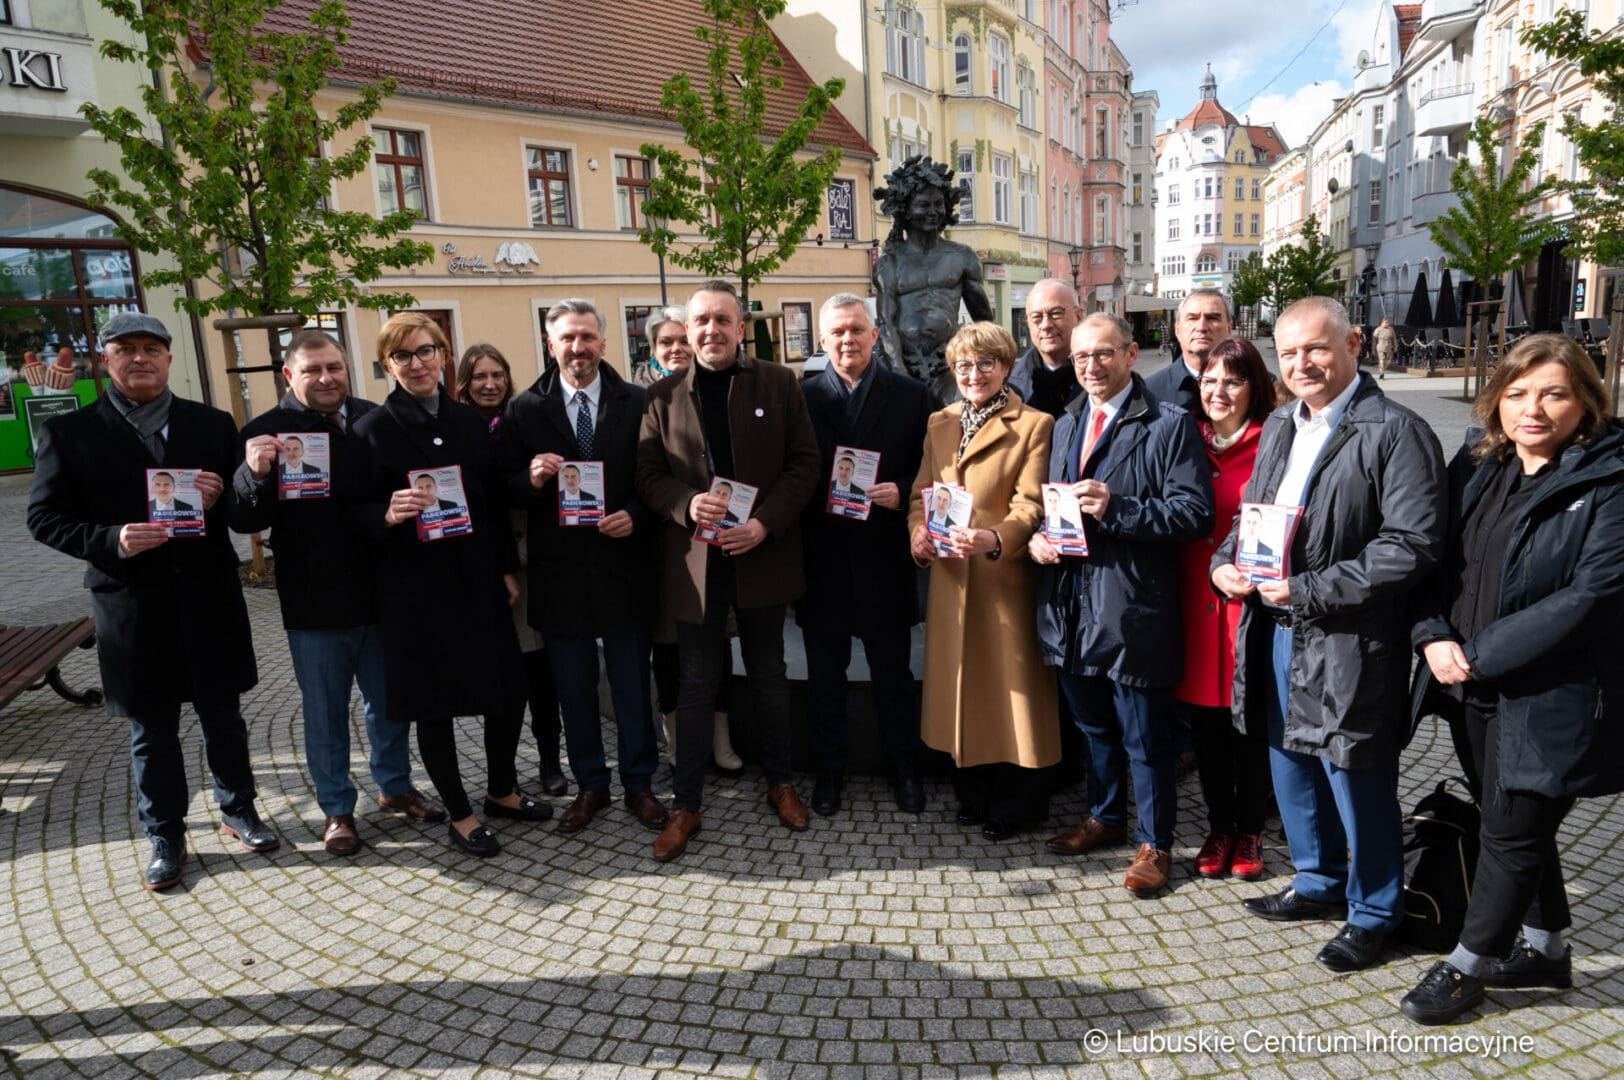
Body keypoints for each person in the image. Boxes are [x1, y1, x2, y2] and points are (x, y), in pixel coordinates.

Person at [1212, 296, 1447, 974]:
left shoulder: (1396, 431)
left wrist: (1311, 589)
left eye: (1316, 348)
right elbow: (1253, 516)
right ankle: (1317, 880)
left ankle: (1375, 910)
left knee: (1354, 770)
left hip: (1350, 634)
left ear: (1351, 342)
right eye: (1289, 353)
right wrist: (1225, 563)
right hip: (1274, 623)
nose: (1302, 364)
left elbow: (1411, 545)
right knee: (1289, 754)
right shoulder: (1283, 422)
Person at [1400, 334, 1624, 1025]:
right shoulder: (1474, 464)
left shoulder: (1608, 478)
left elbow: (1594, 593)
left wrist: (1481, 652)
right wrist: (1432, 633)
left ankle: (1468, 968)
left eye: (1555, 392)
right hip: (1464, 681)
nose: (1534, 408)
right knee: (1510, 823)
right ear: (1496, 399)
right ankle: (1548, 949)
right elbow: (1429, 558)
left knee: (1514, 831)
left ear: (1585, 401)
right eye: (1519, 392)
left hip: (1552, 691)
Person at [27, 311, 277, 890]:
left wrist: (234, 487)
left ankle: (239, 808)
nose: (139, 358)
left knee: (224, 717)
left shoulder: (212, 425)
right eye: (125, 349)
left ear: (168, 358)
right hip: (132, 605)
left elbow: (245, 513)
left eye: (151, 348)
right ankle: (165, 832)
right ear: (105, 360)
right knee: (152, 729)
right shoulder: (70, 432)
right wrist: (109, 538)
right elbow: (43, 518)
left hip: (207, 595)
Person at [231, 329, 445, 857]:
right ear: (289, 375)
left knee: (390, 703)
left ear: (348, 368)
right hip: (316, 600)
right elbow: (243, 519)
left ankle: (394, 787)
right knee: (325, 710)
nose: (326, 379)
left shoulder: (374, 419)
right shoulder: (266, 433)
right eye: (312, 371)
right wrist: (253, 474)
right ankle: (336, 809)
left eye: (334, 367)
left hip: (381, 591)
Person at [636, 279, 822, 861]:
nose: (712, 331)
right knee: (695, 684)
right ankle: (686, 802)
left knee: (769, 674)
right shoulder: (661, 398)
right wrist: (686, 504)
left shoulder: (779, 383)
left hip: (760, 553)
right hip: (696, 564)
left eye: (723, 320)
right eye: (701, 322)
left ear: (742, 329)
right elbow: (647, 476)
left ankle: (780, 782)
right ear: (687, 333)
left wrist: (765, 522)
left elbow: (804, 464)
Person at [354, 313, 550, 860]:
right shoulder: (372, 430)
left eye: (425, 351)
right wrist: (386, 515)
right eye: (403, 356)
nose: (416, 364)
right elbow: (352, 513)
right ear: (388, 365)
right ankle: (460, 815)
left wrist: (507, 565)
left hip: (478, 579)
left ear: (442, 355)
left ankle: (502, 790)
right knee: (434, 706)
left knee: (507, 693)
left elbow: (489, 500)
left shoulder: (469, 423)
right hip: (416, 590)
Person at [1034, 314, 1215, 897]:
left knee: (1145, 735)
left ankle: (1155, 842)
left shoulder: (1168, 424)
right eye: (1082, 356)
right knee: (1093, 726)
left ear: (1132, 354)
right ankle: (1106, 817)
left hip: (1132, 605)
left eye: (1104, 354)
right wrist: (1041, 536)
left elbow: (1194, 514)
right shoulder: (1066, 424)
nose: (1091, 365)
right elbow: (1054, 507)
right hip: (1071, 603)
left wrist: (1119, 507)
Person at [501, 299, 668, 836]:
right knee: (573, 691)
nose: (579, 348)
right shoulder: (526, 409)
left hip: (625, 567)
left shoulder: (639, 402)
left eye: (588, 337)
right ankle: (591, 785)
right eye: (568, 338)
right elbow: (500, 488)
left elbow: (658, 477)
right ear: (551, 345)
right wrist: (528, 479)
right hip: (561, 576)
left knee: (630, 687)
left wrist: (637, 516)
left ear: (604, 341)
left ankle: (639, 784)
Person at [907, 322, 1057, 841]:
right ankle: (972, 792)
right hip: (951, 579)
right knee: (961, 688)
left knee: (1011, 695)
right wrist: (917, 536)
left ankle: (1020, 803)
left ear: (1007, 366)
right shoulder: (940, 422)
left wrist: (994, 538)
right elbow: (920, 494)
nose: (974, 374)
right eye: (964, 366)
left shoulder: (1034, 424)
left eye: (986, 363)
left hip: (1001, 579)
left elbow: (1031, 504)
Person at [798, 293, 932, 816]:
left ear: (875, 335)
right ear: (824, 340)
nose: (848, 340)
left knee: (892, 677)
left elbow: (930, 468)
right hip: (823, 560)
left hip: (883, 558)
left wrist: (901, 491)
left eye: (857, 330)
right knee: (824, 679)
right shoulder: (803, 396)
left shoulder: (911, 395)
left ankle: (905, 767)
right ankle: (829, 771)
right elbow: (791, 468)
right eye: (837, 332)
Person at [1170, 337, 1275, 882]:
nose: (1218, 391)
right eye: (1210, 380)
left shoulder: (1273, 445)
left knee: (1248, 723)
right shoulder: (1186, 440)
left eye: (1232, 381)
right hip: (1193, 602)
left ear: (1254, 387)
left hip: (1246, 607)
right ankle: (1219, 827)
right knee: (1208, 726)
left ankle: (1252, 830)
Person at [454, 343, 568, 797]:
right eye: (479, 376)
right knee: (506, 677)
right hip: (487, 567)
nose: (489, 384)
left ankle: (548, 762)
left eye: (497, 375)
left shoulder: (521, 420)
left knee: (542, 673)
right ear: (465, 382)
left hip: (532, 562)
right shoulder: (458, 429)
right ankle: (502, 775)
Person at [636, 308, 743, 775]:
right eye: (666, 342)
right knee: (669, 651)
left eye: (683, 339)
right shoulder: (641, 399)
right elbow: (641, 475)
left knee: (719, 644)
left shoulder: (717, 387)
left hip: (721, 541)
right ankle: (678, 742)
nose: (677, 347)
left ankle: (720, 740)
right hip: (664, 549)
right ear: (653, 350)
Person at [872, 156, 995, 396]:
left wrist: (992, 363)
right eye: (923, 205)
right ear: (905, 210)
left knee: (954, 416)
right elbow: (886, 325)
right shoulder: (890, 262)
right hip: (901, 363)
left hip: (949, 362)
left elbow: (984, 319)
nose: (933, 212)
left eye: (938, 204)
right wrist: (900, 374)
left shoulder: (962, 257)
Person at [1145, 288, 1233, 414]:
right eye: (1192, 318)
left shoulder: (1260, 385)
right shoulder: (1150, 391)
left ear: (1229, 329)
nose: (1201, 327)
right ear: (1178, 330)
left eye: (1212, 318)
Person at [1006, 279, 1085, 418]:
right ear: (1028, 324)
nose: (1046, 325)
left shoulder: (1102, 377)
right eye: (1036, 317)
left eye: (1056, 313)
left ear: (1078, 316)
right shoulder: (1008, 386)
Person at [635, 306, 694, 387]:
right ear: (654, 348)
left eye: (685, 341)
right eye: (666, 342)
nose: (676, 348)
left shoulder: (715, 384)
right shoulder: (638, 395)